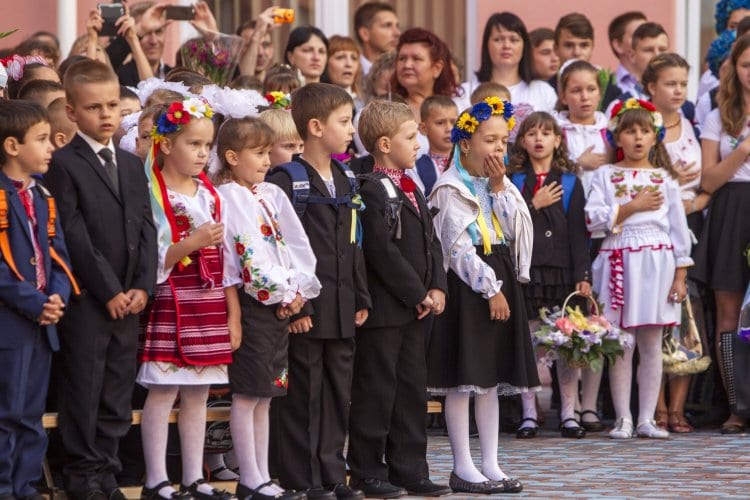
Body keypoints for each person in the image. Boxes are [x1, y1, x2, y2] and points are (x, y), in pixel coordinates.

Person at [44, 59, 157, 500]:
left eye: (112, 105)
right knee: (85, 388)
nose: (107, 115)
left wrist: (142, 286)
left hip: (130, 299)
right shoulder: (64, 164)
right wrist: (108, 289)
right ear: (72, 112)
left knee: (116, 389)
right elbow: (72, 232)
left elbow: (147, 229)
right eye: (94, 108)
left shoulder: (131, 165)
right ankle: (83, 474)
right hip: (90, 299)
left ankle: (107, 470)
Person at [427, 98, 538, 494]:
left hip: (500, 273)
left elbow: (513, 229)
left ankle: (491, 461)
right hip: (470, 286)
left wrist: (498, 187)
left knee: (489, 380)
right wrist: (490, 289)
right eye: (490, 140)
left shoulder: (495, 184)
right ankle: (462, 465)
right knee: (464, 379)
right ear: (465, 143)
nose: (498, 149)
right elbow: (455, 248)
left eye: (503, 141)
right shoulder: (449, 187)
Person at [267, 83, 371, 500]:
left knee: (337, 394)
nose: (351, 130)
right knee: (303, 395)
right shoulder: (287, 180)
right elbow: (282, 248)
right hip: (307, 308)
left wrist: (361, 296)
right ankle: (301, 478)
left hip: (343, 305)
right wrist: (296, 306)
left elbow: (353, 242)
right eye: (344, 122)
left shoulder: (346, 175)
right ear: (314, 126)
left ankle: (331, 474)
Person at [347, 101, 450, 499]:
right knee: (377, 390)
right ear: (385, 143)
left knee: (411, 390)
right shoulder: (372, 189)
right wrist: (416, 292)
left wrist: (437, 286)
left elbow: (431, 240)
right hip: (388, 311)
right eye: (411, 137)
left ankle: (411, 468)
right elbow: (381, 252)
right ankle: (368, 471)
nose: (419, 145)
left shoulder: (412, 187)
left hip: (416, 310)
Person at [216, 117, 321, 500]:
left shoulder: (270, 194)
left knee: (267, 394)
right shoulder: (229, 197)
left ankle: (262, 474)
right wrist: (280, 293)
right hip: (254, 304)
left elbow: (296, 243)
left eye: (266, 152)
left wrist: (299, 291)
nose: (266, 160)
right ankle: (250, 477)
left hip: (281, 303)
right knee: (248, 393)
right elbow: (246, 254)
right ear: (231, 156)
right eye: (258, 153)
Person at [137, 97, 232, 500]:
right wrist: (189, 242)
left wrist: (233, 315)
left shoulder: (208, 193)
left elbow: (226, 257)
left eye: (207, 145)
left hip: (207, 300)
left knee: (199, 392)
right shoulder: (153, 192)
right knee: (163, 391)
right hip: (173, 297)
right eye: (193, 144)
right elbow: (153, 255)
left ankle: (194, 476)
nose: (202, 153)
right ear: (165, 145)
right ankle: (156, 478)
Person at [586, 98, 692, 439]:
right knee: (620, 341)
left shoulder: (665, 179)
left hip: (656, 263)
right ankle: (623, 418)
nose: (636, 137)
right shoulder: (605, 175)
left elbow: (678, 230)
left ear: (654, 136)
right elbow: (593, 220)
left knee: (650, 341)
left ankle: (647, 418)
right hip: (618, 258)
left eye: (643, 131)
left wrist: (680, 275)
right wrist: (631, 207)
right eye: (629, 131)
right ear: (617, 137)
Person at [0, 100, 75, 500]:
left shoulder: (42, 194)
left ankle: (25, 486)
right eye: (42, 139)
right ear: (13, 146)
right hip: (11, 324)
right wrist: (34, 301)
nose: (51, 148)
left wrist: (58, 296)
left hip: (43, 324)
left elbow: (59, 254)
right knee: (5, 414)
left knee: (30, 413)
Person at [506, 112, 591, 439]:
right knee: (528, 343)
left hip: (562, 273)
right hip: (527, 272)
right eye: (531, 133)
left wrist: (583, 274)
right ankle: (529, 413)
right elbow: (508, 223)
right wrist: (532, 202)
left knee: (565, 342)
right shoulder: (514, 181)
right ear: (522, 141)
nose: (539, 139)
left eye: (546, 133)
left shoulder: (570, 182)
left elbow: (578, 233)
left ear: (558, 140)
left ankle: (569, 414)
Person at [643, 53, 707, 434]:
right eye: (670, 83)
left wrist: (694, 202)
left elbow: (702, 188)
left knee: (687, 316)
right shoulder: (644, 126)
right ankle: (657, 407)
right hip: (652, 232)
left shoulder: (692, 124)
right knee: (654, 320)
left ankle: (678, 408)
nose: (679, 90)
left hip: (688, 226)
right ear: (651, 87)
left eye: (683, 83)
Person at [696, 34, 750, 434]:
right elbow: (709, 179)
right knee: (728, 312)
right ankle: (736, 405)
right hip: (732, 207)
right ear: (735, 68)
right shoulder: (719, 115)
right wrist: (744, 149)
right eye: (747, 65)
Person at [457, 13, 557, 141]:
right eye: (498, 39)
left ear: (524, 45)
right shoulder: (465, 92)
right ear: (486, 44)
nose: (506, 46)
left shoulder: (543, 91)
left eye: (514, 40)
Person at [392, 28, 458, 155]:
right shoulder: (385, 110)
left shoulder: (459, 109)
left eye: (416, 59)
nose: (407, 65)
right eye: (402, 58)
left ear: (437, 68)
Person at [555, 60, 611, 195]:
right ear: (563, 97)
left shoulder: (610, 132)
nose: (585, 97)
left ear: (599, 94)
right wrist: (578, 164)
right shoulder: (555, 131)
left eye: (591, 89)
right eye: (576, 90)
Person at [413, 95, 458, 195]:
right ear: (424, 128)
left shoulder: (470, 163)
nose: (449, 129)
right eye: (440, 123)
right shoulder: (416, 169)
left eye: (454, 122)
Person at [607, 11, 647, 107]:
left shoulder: (660, 84)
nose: (646, 41)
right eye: (638, 35)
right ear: (618, 45)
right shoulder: (605, 86)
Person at [353, 2, 400, 77]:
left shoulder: (401, 73)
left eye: (397, 26)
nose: (397, 33)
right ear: (365, 34)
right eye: (387, 25)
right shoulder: (350, 73)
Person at [323, 36, 363, 111]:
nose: (349, 64)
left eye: (354, 58)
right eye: (340, 57)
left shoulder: (364, 106)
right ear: (325, 62)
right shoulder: (315, 103)